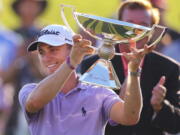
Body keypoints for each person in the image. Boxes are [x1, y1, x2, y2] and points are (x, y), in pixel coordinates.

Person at [18, 24, 155, 135]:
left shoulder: (99, 92)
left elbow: (130, 116)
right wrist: (71, 63)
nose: (46, 58)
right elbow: (34, 102)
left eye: (53, 50)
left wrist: (134, 71)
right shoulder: (30, 90)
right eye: (41, 52)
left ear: (71, 49)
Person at [79, 0, 180, 135]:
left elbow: (175, 126)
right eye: (129, 24)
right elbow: (86, 116)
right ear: (117, 25)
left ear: (152, 30)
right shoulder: (94, 63)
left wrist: (160, 106)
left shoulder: (169, 68)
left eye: (143, 26)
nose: (135, 31)